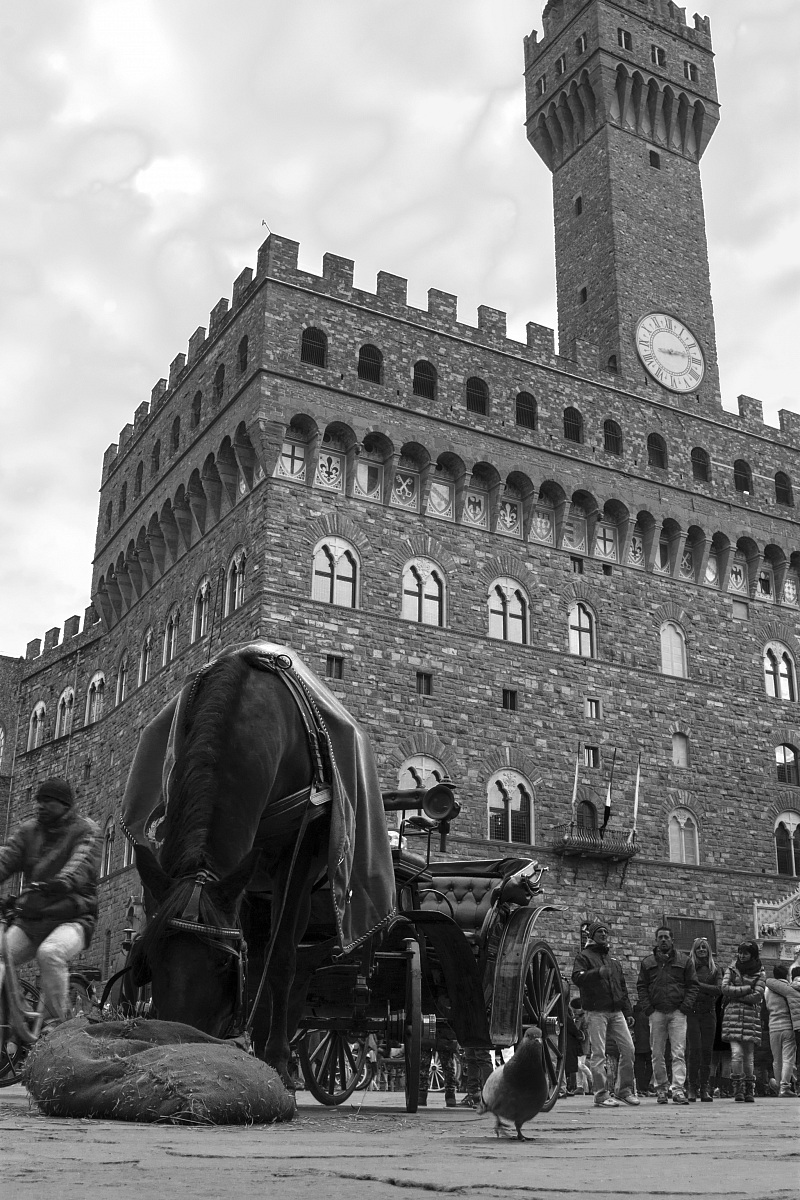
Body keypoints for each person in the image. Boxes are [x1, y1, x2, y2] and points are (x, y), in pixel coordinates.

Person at [0, 778, 100, 1021]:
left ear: (64, 805)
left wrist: (63, 882)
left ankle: (56, 1025)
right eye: (39, 801)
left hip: (73, 918)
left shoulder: (87, 831)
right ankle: (14, 1019)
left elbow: (81, 863)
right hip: (32, 920)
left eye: (47, 802)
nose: (40, 806)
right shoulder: (29, 831)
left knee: (50, 953)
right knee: (2, 954)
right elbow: (6, 859)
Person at [571, 918, 639, 1108]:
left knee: (629, 1049)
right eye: (599, 932)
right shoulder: (583, 957)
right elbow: (577, 978)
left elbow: (622, 988)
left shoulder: (614, 961)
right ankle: (601, 1094)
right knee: (599, 1054)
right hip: (596, 1011)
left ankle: (624, 1090)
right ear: (592, 936)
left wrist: (628, 1011)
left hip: (616, 1011)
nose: (603, 934)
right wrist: (597, 973)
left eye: (605, 932)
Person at [637, 925, 698, 1105]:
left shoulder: (684, 961)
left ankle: (678, 1089)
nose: (663, 940)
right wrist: (648, 1008)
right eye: (660, 937)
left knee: (678, 1051)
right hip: (656, 1012)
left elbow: (692, 985)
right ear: (656, 941)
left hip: (678, 1011)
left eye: (666, 937)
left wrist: (685, 1007)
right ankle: (661, 1088)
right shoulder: (648, 963)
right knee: (657, 1053)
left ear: (672, 940)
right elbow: (642, 986)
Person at [720, 939, 766, 1103]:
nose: (742, 956)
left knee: (749, 1056)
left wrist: (736, 994)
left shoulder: (760, 973)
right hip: (733, 1017)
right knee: (736, 1054)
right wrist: (746, 989)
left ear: (752, 955)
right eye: (740, 952)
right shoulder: (732, 969)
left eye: (746, 953)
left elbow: (758, 996)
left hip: (750, 1018)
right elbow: (724, 988)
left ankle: (749, 1089)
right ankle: (737, 1087)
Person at [685, 937, 722, 1102]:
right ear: (694, 950)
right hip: (692, 1012)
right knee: (694, 1050)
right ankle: (692, 1086)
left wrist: (698, 985)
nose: (701, 950)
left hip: (709, 1012)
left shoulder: (715, 969)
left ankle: (704, 1087)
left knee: (707, 1051)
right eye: (699, 947)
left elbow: (719, 989)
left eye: (704, 948)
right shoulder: (689, 967)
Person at [765, 963, 800, 1097]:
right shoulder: (790, 989)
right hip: (788, 1026)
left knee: (776, 1059)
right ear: (787, 975)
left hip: (773, 1025)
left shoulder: (767, 990)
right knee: (788, 1058)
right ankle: (785, 1087)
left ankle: (779, 1084)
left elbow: (767, 1006)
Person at [419, 1021, 459, 1107]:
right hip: (442, 1026)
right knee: (447, 1065)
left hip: (437, 1027)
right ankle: (450, 1094)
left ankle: (422, 1093)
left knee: (425, 1064)